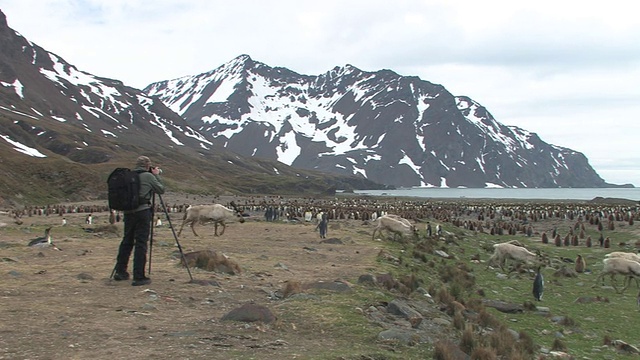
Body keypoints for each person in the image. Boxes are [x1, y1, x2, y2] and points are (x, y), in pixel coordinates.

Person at [113, 156, 165, 286]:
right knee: (141, 242)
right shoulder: (148, 176)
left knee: (127, 241)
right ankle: (139, 276)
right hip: (142, 211)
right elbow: (160, 189)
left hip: (128, 212)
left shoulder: (128, 176)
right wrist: (156, 175)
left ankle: (120, 271)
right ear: (147, 165)